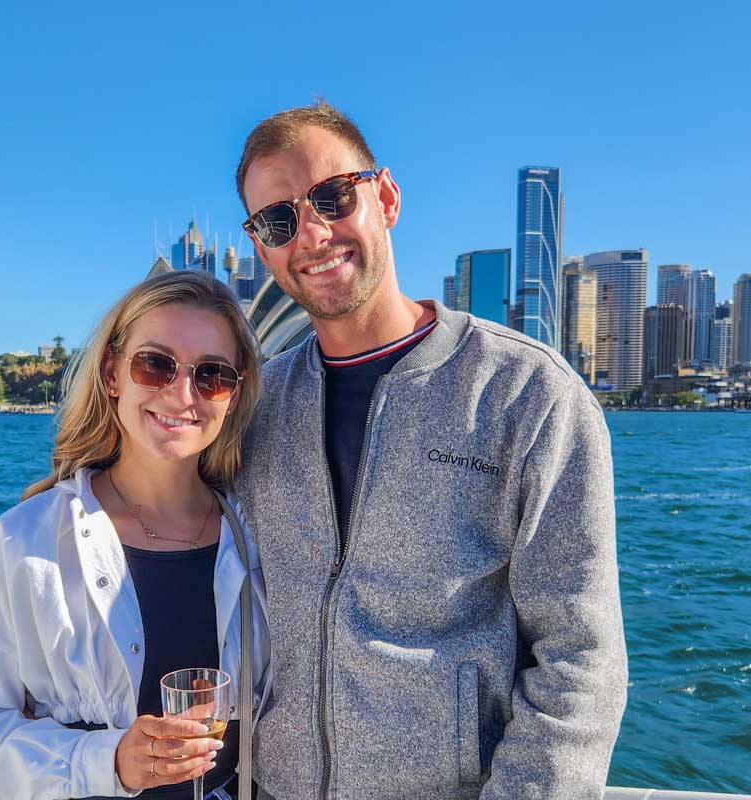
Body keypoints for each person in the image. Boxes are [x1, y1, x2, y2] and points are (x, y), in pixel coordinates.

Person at [233, 100, 628, 799]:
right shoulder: (256, 405)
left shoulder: (528, 394)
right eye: (278, 220)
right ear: (262, 246)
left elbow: (580, 661)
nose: (313, 233)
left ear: (385, 196)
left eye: (332, 197)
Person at [0, 270, 270, 800]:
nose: (181, 394)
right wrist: (108, 762)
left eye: (212, 375)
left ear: (233, 396)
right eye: (155, 365)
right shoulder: (25, 543)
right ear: (112, 374)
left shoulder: (259, 539)